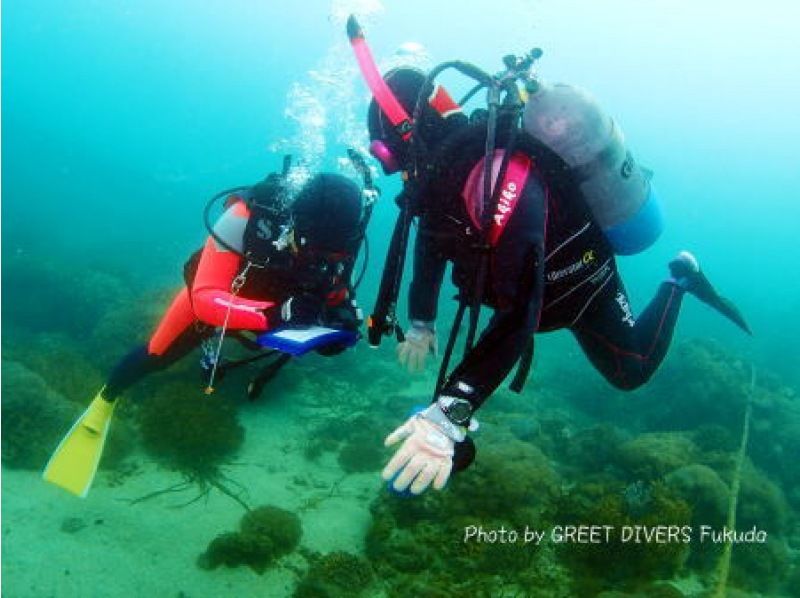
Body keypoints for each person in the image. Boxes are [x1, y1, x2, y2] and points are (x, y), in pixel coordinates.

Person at [359, 64, 751, 497]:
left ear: (411, 132)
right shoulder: (445, 178)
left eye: (386, 155)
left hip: (582, 285)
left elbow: (521, 305)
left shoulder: (494, 177)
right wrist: (421, 322)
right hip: (538, 299)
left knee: (629, 372)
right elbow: (433, 241)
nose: (392, 170)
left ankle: (679, 280)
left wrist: (450, 413)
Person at [43, 170, 368, 497]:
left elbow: (336, 291)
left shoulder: (345, 240)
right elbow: (205, 300)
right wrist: (273, 314)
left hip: (275, 313)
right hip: (218, 299)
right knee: (156, 355)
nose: (319, 260)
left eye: (332, 255)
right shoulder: (244, 218)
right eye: (312, 249)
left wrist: (340, 320)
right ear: (296, 222)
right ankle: (105, 400)